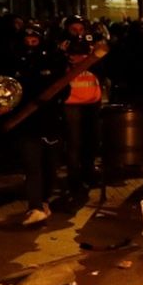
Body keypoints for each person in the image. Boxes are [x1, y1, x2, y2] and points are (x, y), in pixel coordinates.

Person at [10, 25, 68, 225]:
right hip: (28, 123)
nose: (30, 40)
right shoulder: (16, 59)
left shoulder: (52, 59)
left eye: (34, 37)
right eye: (27, 37)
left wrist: (54, 101)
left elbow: (64, 87)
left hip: (51, 122)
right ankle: (34, 206)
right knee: (32, 165)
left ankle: (43, 201)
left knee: (50, 166)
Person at [61, 38, 104, 197]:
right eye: (71, 53)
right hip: (71, 106)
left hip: (91, 106)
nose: (73, 57)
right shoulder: (63, 66)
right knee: (74, 145)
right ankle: (74, 181)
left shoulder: (94, 65)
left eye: (77, 54)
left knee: (91, 142)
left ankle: (88, 174)